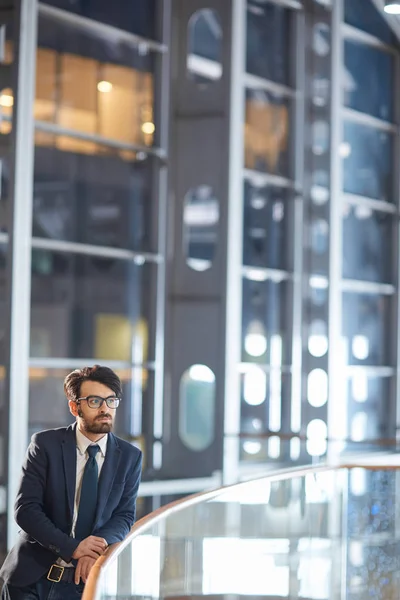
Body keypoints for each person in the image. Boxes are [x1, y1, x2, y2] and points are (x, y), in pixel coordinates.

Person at [0, 365, 143, 600]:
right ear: (74, 406)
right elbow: (26, 510)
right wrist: (73, 548)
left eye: (111, 400)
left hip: (82, 583)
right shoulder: (45, 445)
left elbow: (124, 516)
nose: (105, 409)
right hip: (30, 582)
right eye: (95, 401)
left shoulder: (129, 456)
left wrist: (94, 548)